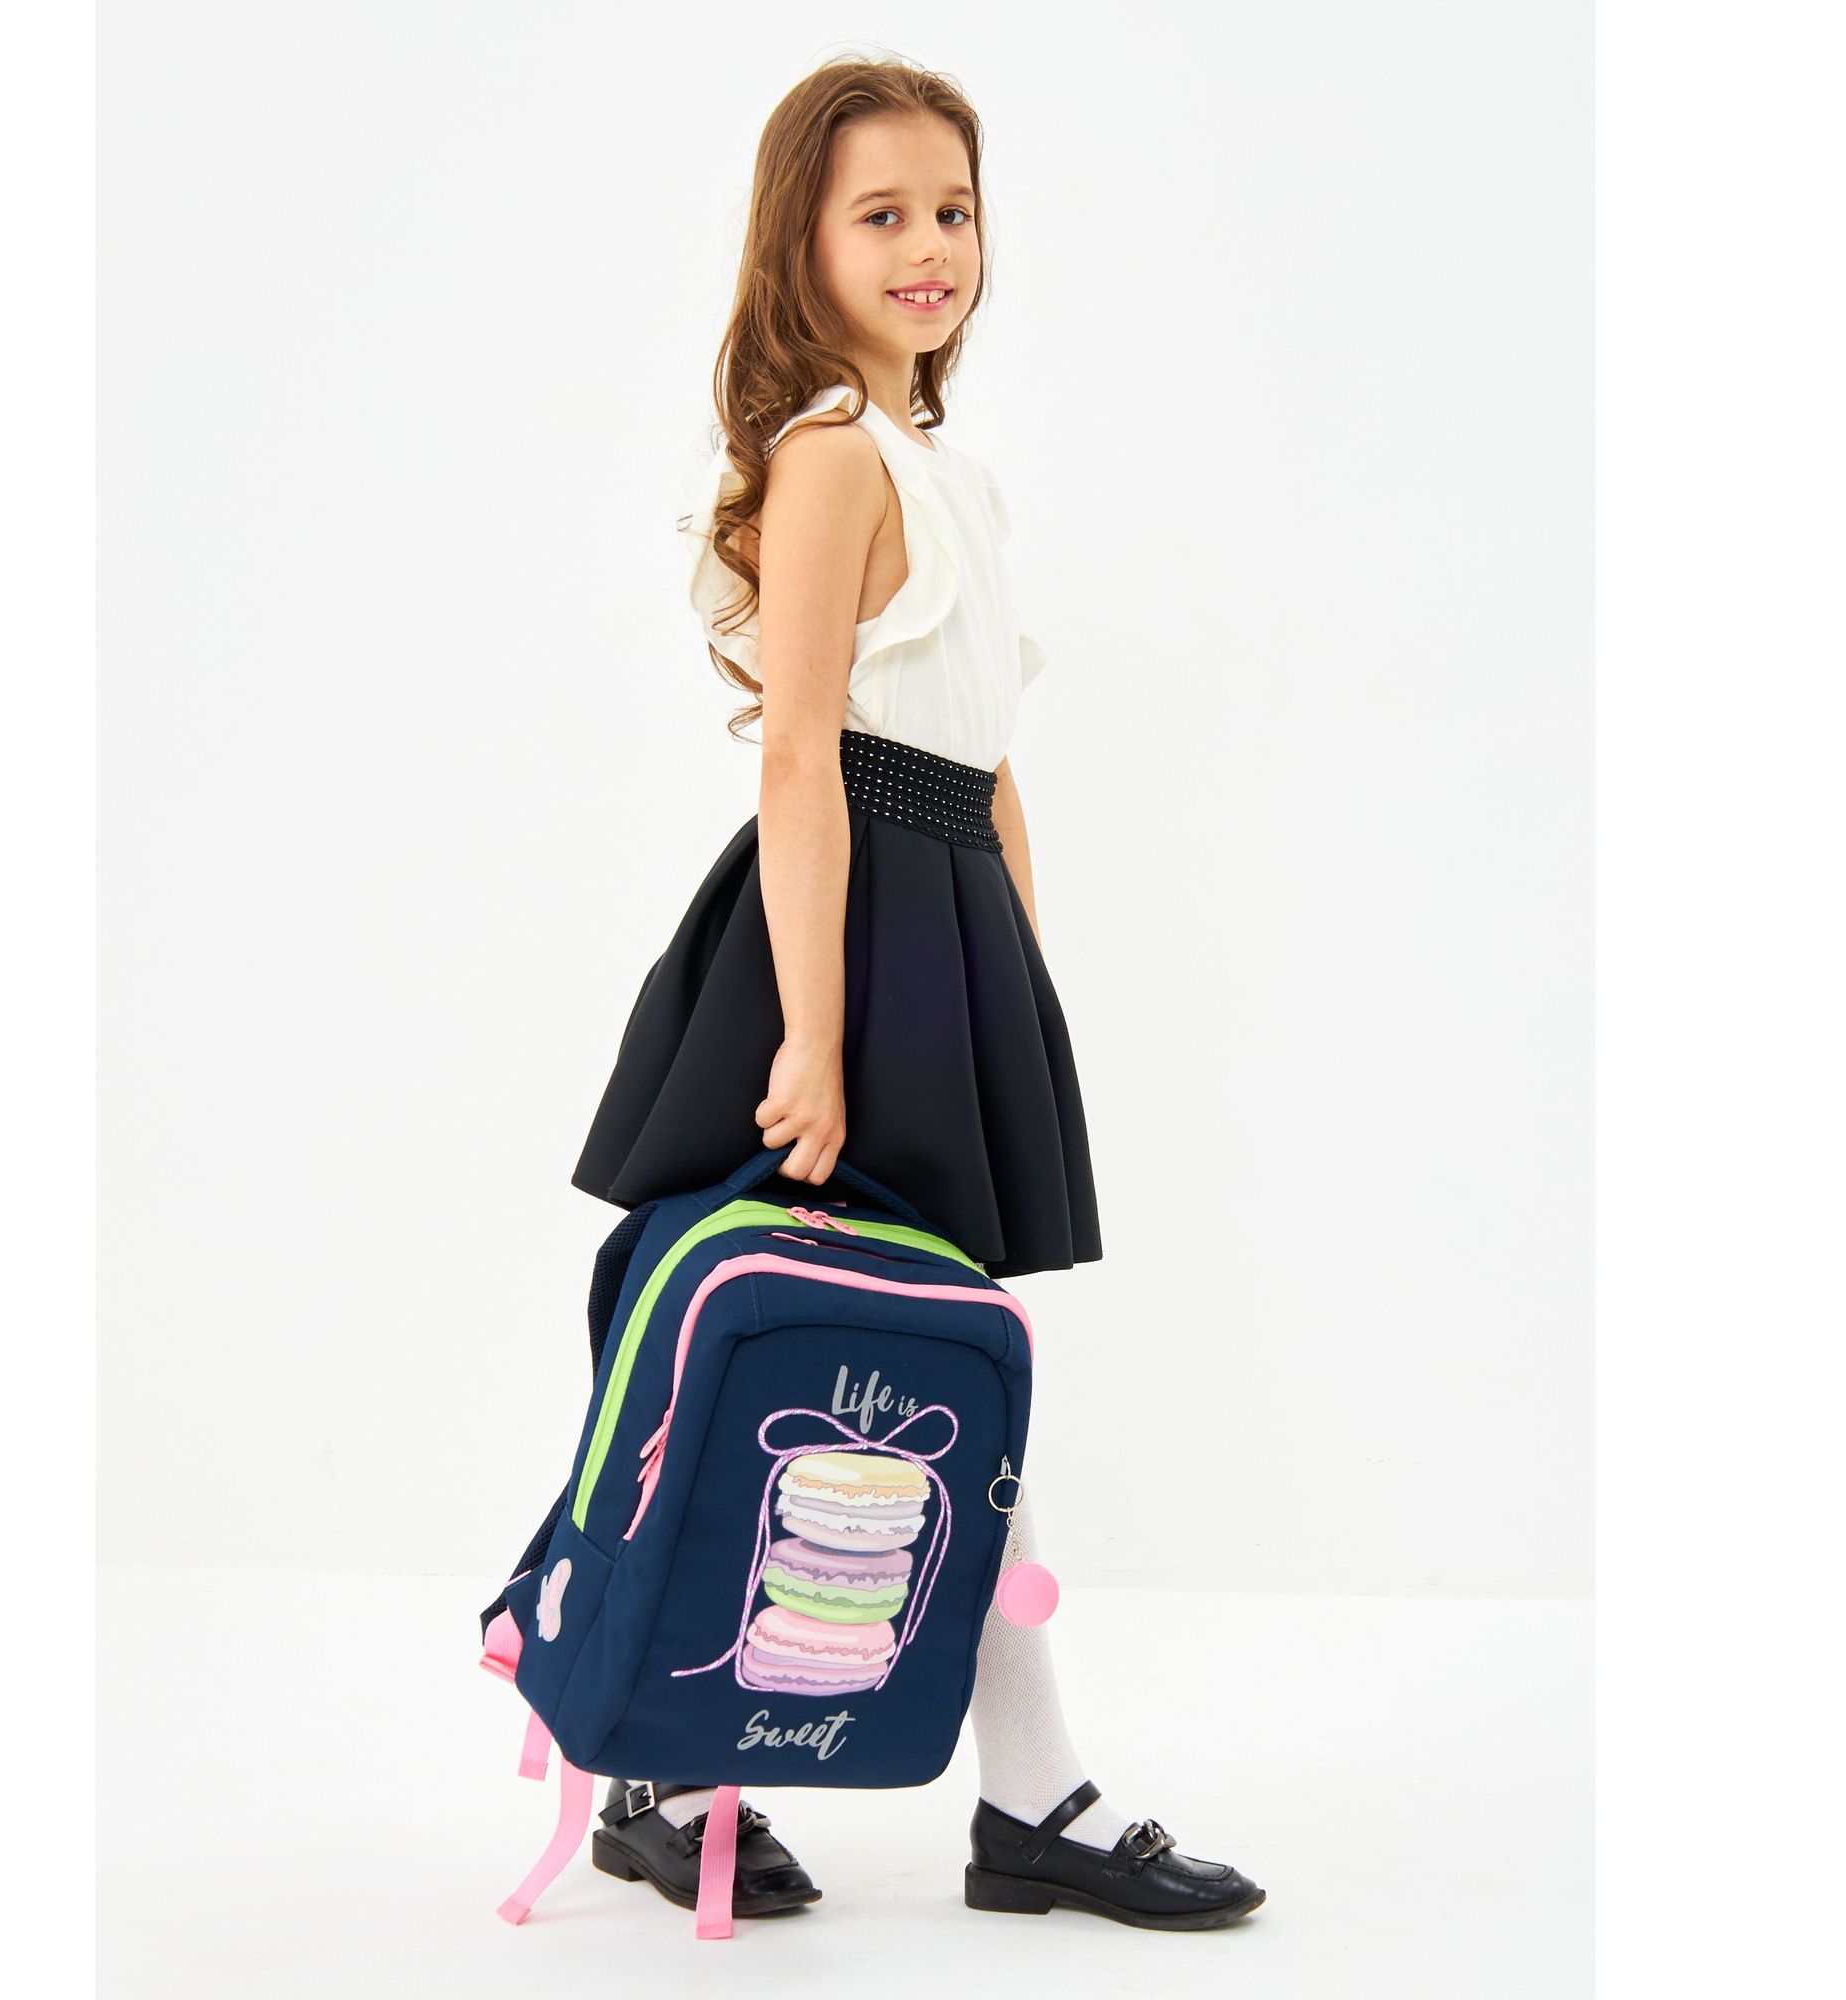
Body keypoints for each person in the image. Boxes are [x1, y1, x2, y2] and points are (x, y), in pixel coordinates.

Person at [566, 56, 1264, 1933]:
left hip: (944, 941)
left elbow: (988, 761)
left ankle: (998, 1796)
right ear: (801, 241)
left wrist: (1017, 982)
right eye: (881, 212)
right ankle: (707, 1769)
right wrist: (812, 1030)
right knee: (797, 1346)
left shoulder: (947, 472)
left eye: (952, 209)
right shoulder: (827, 457)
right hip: (845, 935)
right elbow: (803, 755)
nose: (929, 244)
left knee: (931, 1368)